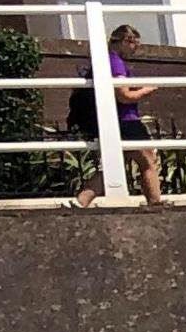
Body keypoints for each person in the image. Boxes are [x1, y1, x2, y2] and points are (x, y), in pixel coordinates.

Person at [69, 23, 162, 207]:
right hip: (126, 120)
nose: (136, 49)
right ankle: (155, 203)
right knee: (148, 160)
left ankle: (82, 200)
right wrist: (147, 90)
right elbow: (124, 95)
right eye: (135, 44)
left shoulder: (103, 60)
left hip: (114, 120)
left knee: (116, 164)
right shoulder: (116, 62)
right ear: (126, 41)